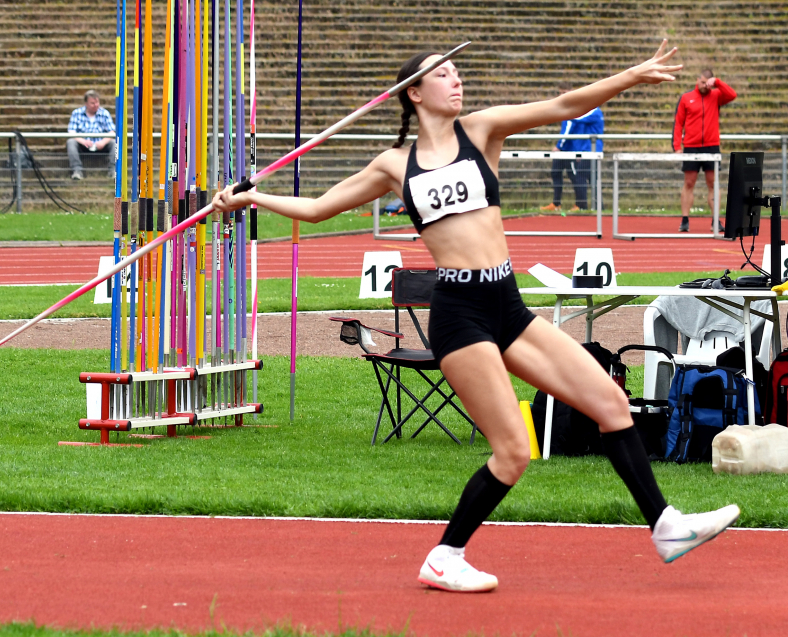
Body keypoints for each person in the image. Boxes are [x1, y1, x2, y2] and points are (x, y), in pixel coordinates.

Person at [213, 41, 740, 593]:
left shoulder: (482, 131)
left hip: (507, 302)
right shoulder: (395, 165)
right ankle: (445, 556)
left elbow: (565, 105)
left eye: (455, 71)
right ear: (413, 94)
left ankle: (665, 526)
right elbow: (321, 207)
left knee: (609, 402)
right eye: (441, 75)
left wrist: (630, 76)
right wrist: (255, 200)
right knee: (514, 449)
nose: (455, 80)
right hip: (459, 314)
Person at [672, 69, 737, 232]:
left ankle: (716, 220)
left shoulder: (716, 96)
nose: (704, 86)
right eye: (702, 82)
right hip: (691, 146)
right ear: (697, 80)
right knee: (689, 183)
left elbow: (732, 95)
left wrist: (718, 83)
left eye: (707, 83)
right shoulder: (686, 98)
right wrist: (677, 146)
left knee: (713, 183)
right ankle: (685, 220)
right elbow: (678, 123)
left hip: (711, 146)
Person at [540, 82, 604, 213]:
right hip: (579, 149)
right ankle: (585, 206)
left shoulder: (591, 111)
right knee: (580, 176)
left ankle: (584, 205)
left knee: (582, 176)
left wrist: (559, 146)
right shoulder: (577, 112)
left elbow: (573, 119)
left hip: (589, 150)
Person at [67, 90, 116, 180]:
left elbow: (112, 131)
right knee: (71, 142)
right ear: (86, 103)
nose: (96, 105)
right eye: (92, 103)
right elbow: (71, 132)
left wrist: (103, 142)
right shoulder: (76, 113)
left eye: (97, 102)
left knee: (114, 142)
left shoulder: (104, 113)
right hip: (83, 144)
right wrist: (83, 141)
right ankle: (77, 171)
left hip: (101, 144)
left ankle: (113, 170)